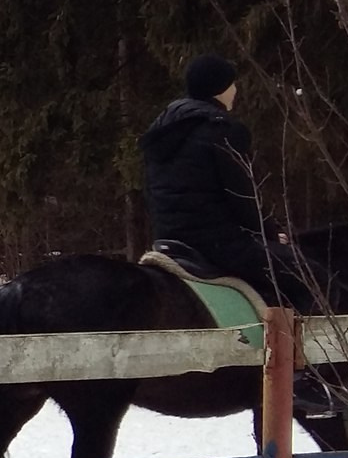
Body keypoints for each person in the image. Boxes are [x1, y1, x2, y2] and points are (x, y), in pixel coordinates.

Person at [139, 54, 334, 414]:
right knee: (308, 276)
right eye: (232, 83)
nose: (236, 90)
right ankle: (300, 379)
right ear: (220, 88)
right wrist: (271, 232)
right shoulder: (221, 129)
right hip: (215, 242)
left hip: (170, 240)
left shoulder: (162, 131)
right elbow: (242, 196)